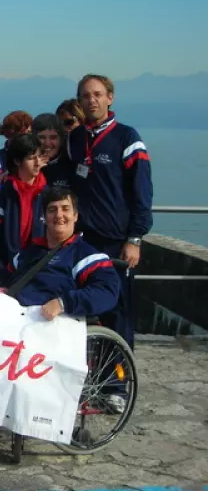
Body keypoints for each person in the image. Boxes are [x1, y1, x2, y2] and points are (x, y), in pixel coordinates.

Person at [0, 187, 124, 412]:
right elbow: (7, 282)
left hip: (52, 329)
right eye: (53, 210)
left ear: (76, 215)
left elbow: (107, 292)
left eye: (66, 209)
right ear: (44, 217)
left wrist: (64, 302)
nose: (59, 215)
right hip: (16, 325)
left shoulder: (88, 257)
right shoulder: (27, 254)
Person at [67, 74, 153, 350]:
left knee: (119, 309)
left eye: (97, 94)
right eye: (85, 95)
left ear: (109, 98)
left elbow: (142, 192)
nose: (91, 100)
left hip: (116, 241)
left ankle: (118, 383)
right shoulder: (75, 139)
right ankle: (89, 375)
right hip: (82, 240)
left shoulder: (127, 138)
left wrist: (135, 238)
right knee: (84, 311)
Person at [0, 134, 47, 283]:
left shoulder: (49, 197)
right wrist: (0, 277)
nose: (37, 163)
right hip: (4, 277)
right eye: (31, 158)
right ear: (17, 161)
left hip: (40, 276)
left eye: (39, 157)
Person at [0, 110, 34, 178]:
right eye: (21, 134)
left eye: (29, 133)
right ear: (10, 133)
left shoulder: (36, 157)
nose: (25, 139)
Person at [34, 113, 73, 189]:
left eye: (53, 137)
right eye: (41, 137)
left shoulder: (72, 166)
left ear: (61, 139)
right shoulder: (25, 167)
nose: (47, 143)